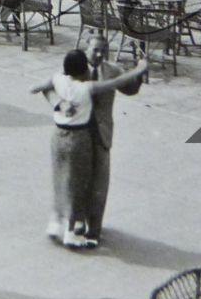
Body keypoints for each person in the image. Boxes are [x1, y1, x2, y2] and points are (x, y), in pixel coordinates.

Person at [30, 49, 146, 249]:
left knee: (62, 178)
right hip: (79, 139)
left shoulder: (59, 78)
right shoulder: (86, 88)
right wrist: (140, 68)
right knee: (79, 184)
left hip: (58, 136)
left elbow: (36, 87)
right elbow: (114, 84)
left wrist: (61, 103)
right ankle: (71, 231)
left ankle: (57, 221)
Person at [81, 34, 144, 245]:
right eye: (95, 50)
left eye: (103, 51)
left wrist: (139, 74)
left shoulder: (112, 71)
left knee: (99, 183)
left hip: (101, 133)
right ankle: (78, 222)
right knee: (78, 180)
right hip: (78, 133)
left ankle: (94, 230)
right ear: (85, 49)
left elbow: (130, 89)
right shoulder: (75, 68)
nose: (99, 54)